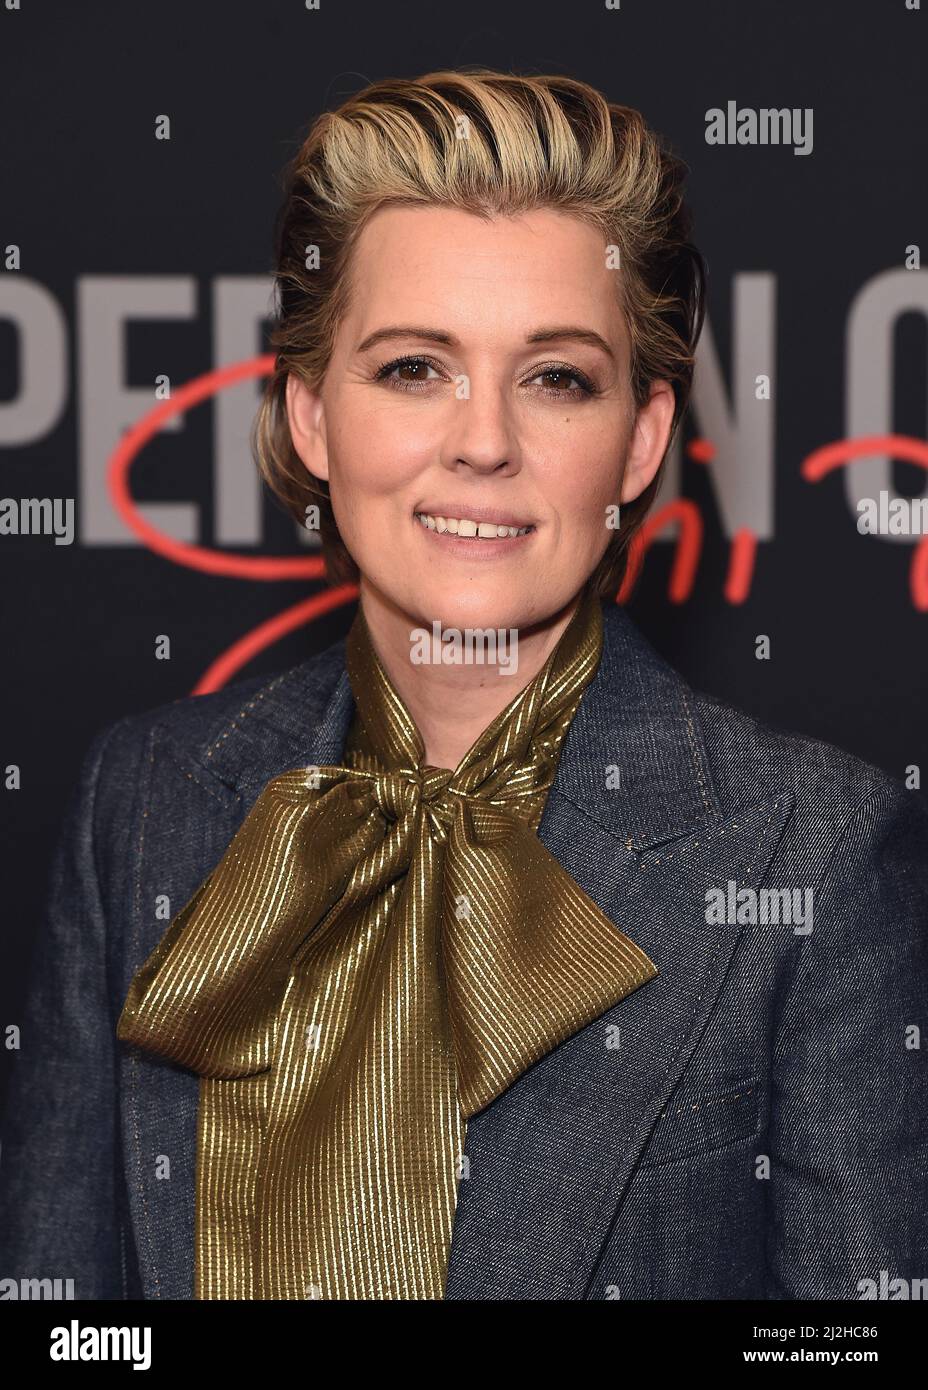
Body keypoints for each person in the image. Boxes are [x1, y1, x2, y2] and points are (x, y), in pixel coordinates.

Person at [1, 67, 926, 1302]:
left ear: (641, 440)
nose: (483, 440)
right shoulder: (144, 796)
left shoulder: (811, 852)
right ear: (312, 418)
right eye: (411, 369)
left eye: (556, 377)